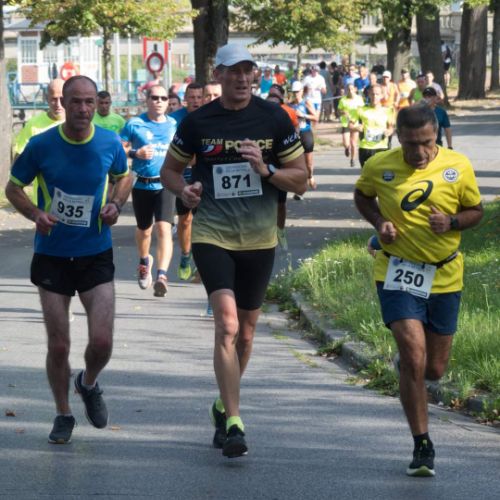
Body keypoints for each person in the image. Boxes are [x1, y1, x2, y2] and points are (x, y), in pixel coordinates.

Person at [161, 43, 307, 458]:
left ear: (255, 75)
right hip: (213, 233)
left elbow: (300, 179)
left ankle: (222, 403)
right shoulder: (198, 121)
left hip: (259, 238)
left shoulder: (274, 118)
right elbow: (169, 171)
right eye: (234, 70)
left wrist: (267, 169)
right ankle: (235, 422)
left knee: (245, 333)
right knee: (226, 325)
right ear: (219, 75)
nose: (242, 78)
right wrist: (184, 191)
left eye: (248, 70)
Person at [354, 104, 483, 477]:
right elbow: (362, 196)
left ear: (436, 135)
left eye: (427, 142)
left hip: (445, 274)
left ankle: (409, 368)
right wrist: (379, 222)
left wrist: (453, 221)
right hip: (397, 272)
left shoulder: (458, 166)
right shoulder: (380, 165)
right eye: (411, 144)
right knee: (414, 356)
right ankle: (422, 444)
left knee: (435, 370)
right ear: (398, 137)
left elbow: (476, 210)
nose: (420, 152)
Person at [5, 75, 132, 444]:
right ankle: (63, 413)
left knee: (102, 342)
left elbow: (124, 177)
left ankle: (87, 382)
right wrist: (35, 214)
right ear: (63, 103)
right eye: (76, 101)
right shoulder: (42, 145)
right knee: (58, 345)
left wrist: (115, 204)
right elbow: (13, 188)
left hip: (95, 252)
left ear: (97, 104)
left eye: (89, 101)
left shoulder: (109, 142)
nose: (83, 108)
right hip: (53, 255)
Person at [120, 86, 177, 297]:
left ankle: (162, 276)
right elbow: (119, 148)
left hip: (165, 184)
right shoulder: (135, 123)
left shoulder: (174, 125)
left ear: (168, 101)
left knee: (163, 228)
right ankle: (144, 261)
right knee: (144, 230)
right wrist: (136, 153)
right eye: (155, 97)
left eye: (163, 98)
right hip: (142, 184)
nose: (159, 101)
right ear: (147, 100)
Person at [168, 82, 204, 282]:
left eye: (199, 97)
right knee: (185, 219)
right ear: (185, 100)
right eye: (192, 97)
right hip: (182, 174)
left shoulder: (209, 116)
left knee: (204, 218)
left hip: (203, 173)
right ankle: (185, 254)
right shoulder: (174, 119)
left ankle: (203, 260)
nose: (196, 101)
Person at [13, 79, 66, 204]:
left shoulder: (78, 123)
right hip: (45, 200)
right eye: (54, 99)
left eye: (62, 99)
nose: (58, 104)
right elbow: (18, 161)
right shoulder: (33, 125)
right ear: (46, 98)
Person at [290, 81, 319, 192]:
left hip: (306, 133)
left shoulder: (306, 102)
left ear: (302, 91)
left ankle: (310, 176)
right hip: (294, 135)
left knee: (308, 163)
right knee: (295, 162)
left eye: (297, 92)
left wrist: (302, 115)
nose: (295, 94)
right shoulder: (290, 104)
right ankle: (300, 185)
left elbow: (315, 117)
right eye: (294, 92)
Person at [354, 84, 394, 167]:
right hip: (365, 147)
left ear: (381, 95)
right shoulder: (361, 110)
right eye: (372, 94)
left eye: (377, 94)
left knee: (381, 173)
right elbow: (351, 125)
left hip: (382, 147)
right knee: (367, 173)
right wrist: (357, 127)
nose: (374, 96)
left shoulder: (388, 111)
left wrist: (388, 131)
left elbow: (391, 128)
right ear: (369, 94)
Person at [338, 83, 365, 167]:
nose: (350, 91)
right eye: (348, 89)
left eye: (352, 89)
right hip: (346, 123)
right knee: (346, 143)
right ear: (346, 90)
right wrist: (342, 112)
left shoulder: (359, 99)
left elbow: (363, 110)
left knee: (353, 143)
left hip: (355, 123)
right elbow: (338, 111)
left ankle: (352, 159)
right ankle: (347, 148)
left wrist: (361, 121)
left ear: (355, 89)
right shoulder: (343, 100)